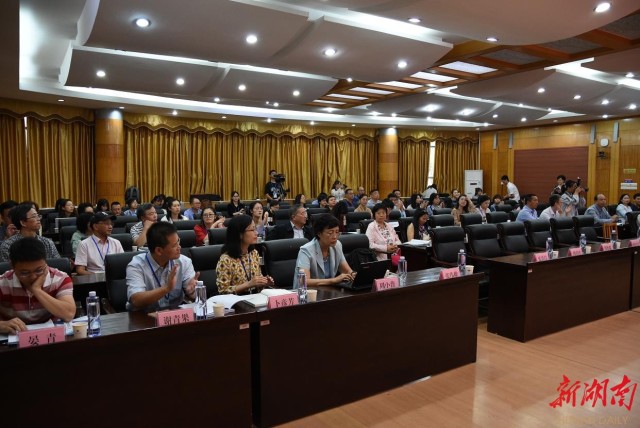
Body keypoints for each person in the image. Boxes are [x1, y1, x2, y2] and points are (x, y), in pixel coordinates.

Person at [0, 238, 75, 333]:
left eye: (39, 270)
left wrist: (36, 290)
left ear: (45, 262)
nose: (33, 277)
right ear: (12, 266)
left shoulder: (60, 279)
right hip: (13, 336)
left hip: (52, 335)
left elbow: (68, 314)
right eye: (25, 273)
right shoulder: (2, 283)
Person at [126, 222, 199, 312]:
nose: (179, 247)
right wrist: (166, 288)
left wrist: (192, 291)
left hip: (174, 315)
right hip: (143, 316)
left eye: (178, 241)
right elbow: (136, 300)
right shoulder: (136, 265)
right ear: (159, 251)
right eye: (174, 245)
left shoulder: (184, 262)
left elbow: (192, 293)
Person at [292, 214, 356, 289]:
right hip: (307, 293)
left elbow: (347, 270)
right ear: (319, 233)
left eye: (337, 232)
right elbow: (303, 281)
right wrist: (333, 280)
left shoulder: (337, 245)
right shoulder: (306, 250)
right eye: (330, 233)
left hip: (328, 291)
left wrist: (353, 274)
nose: (335, 237)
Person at [216, 215, 273, 294]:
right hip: (237, 300)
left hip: (255, 297)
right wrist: (248, 285)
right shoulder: (226, 259)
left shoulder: (254, 253)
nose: (256, 233)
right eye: (252, 230)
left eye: (255, 229)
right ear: (240, 234)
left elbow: (256, 281)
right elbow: (222, 291)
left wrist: (264, 282)